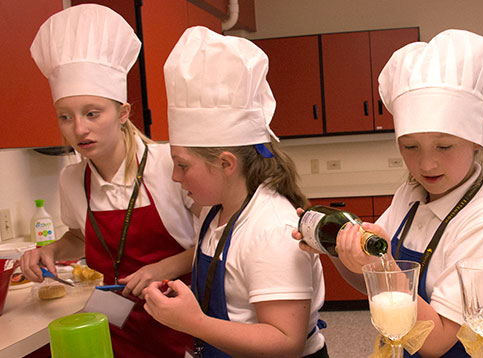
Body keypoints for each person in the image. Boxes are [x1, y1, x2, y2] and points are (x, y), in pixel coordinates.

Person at [294, 29, 483, 358]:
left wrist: (383, 264)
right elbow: (374, 285)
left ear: (476, 142)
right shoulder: (409, 195)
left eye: (444, 146)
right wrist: (340, 252)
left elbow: (438, 341)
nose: (426, 163)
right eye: (410, 147)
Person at [20, 4, 199, 357]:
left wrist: (162, 268)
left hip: (178, 316)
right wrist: (51, 250)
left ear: (122, 113)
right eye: (65, 117)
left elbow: (214, 242)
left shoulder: (168, 165)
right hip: (111, 319)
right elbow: (77, 235)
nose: (79, 129)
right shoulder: (71, 178)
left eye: (92, 113)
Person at [142, 26, 327, 358]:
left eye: (182, 165)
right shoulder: (214, 211)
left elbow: (286, 341)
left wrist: (193, 322)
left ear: (226, 163)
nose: (174, 176)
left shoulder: (271, 227)